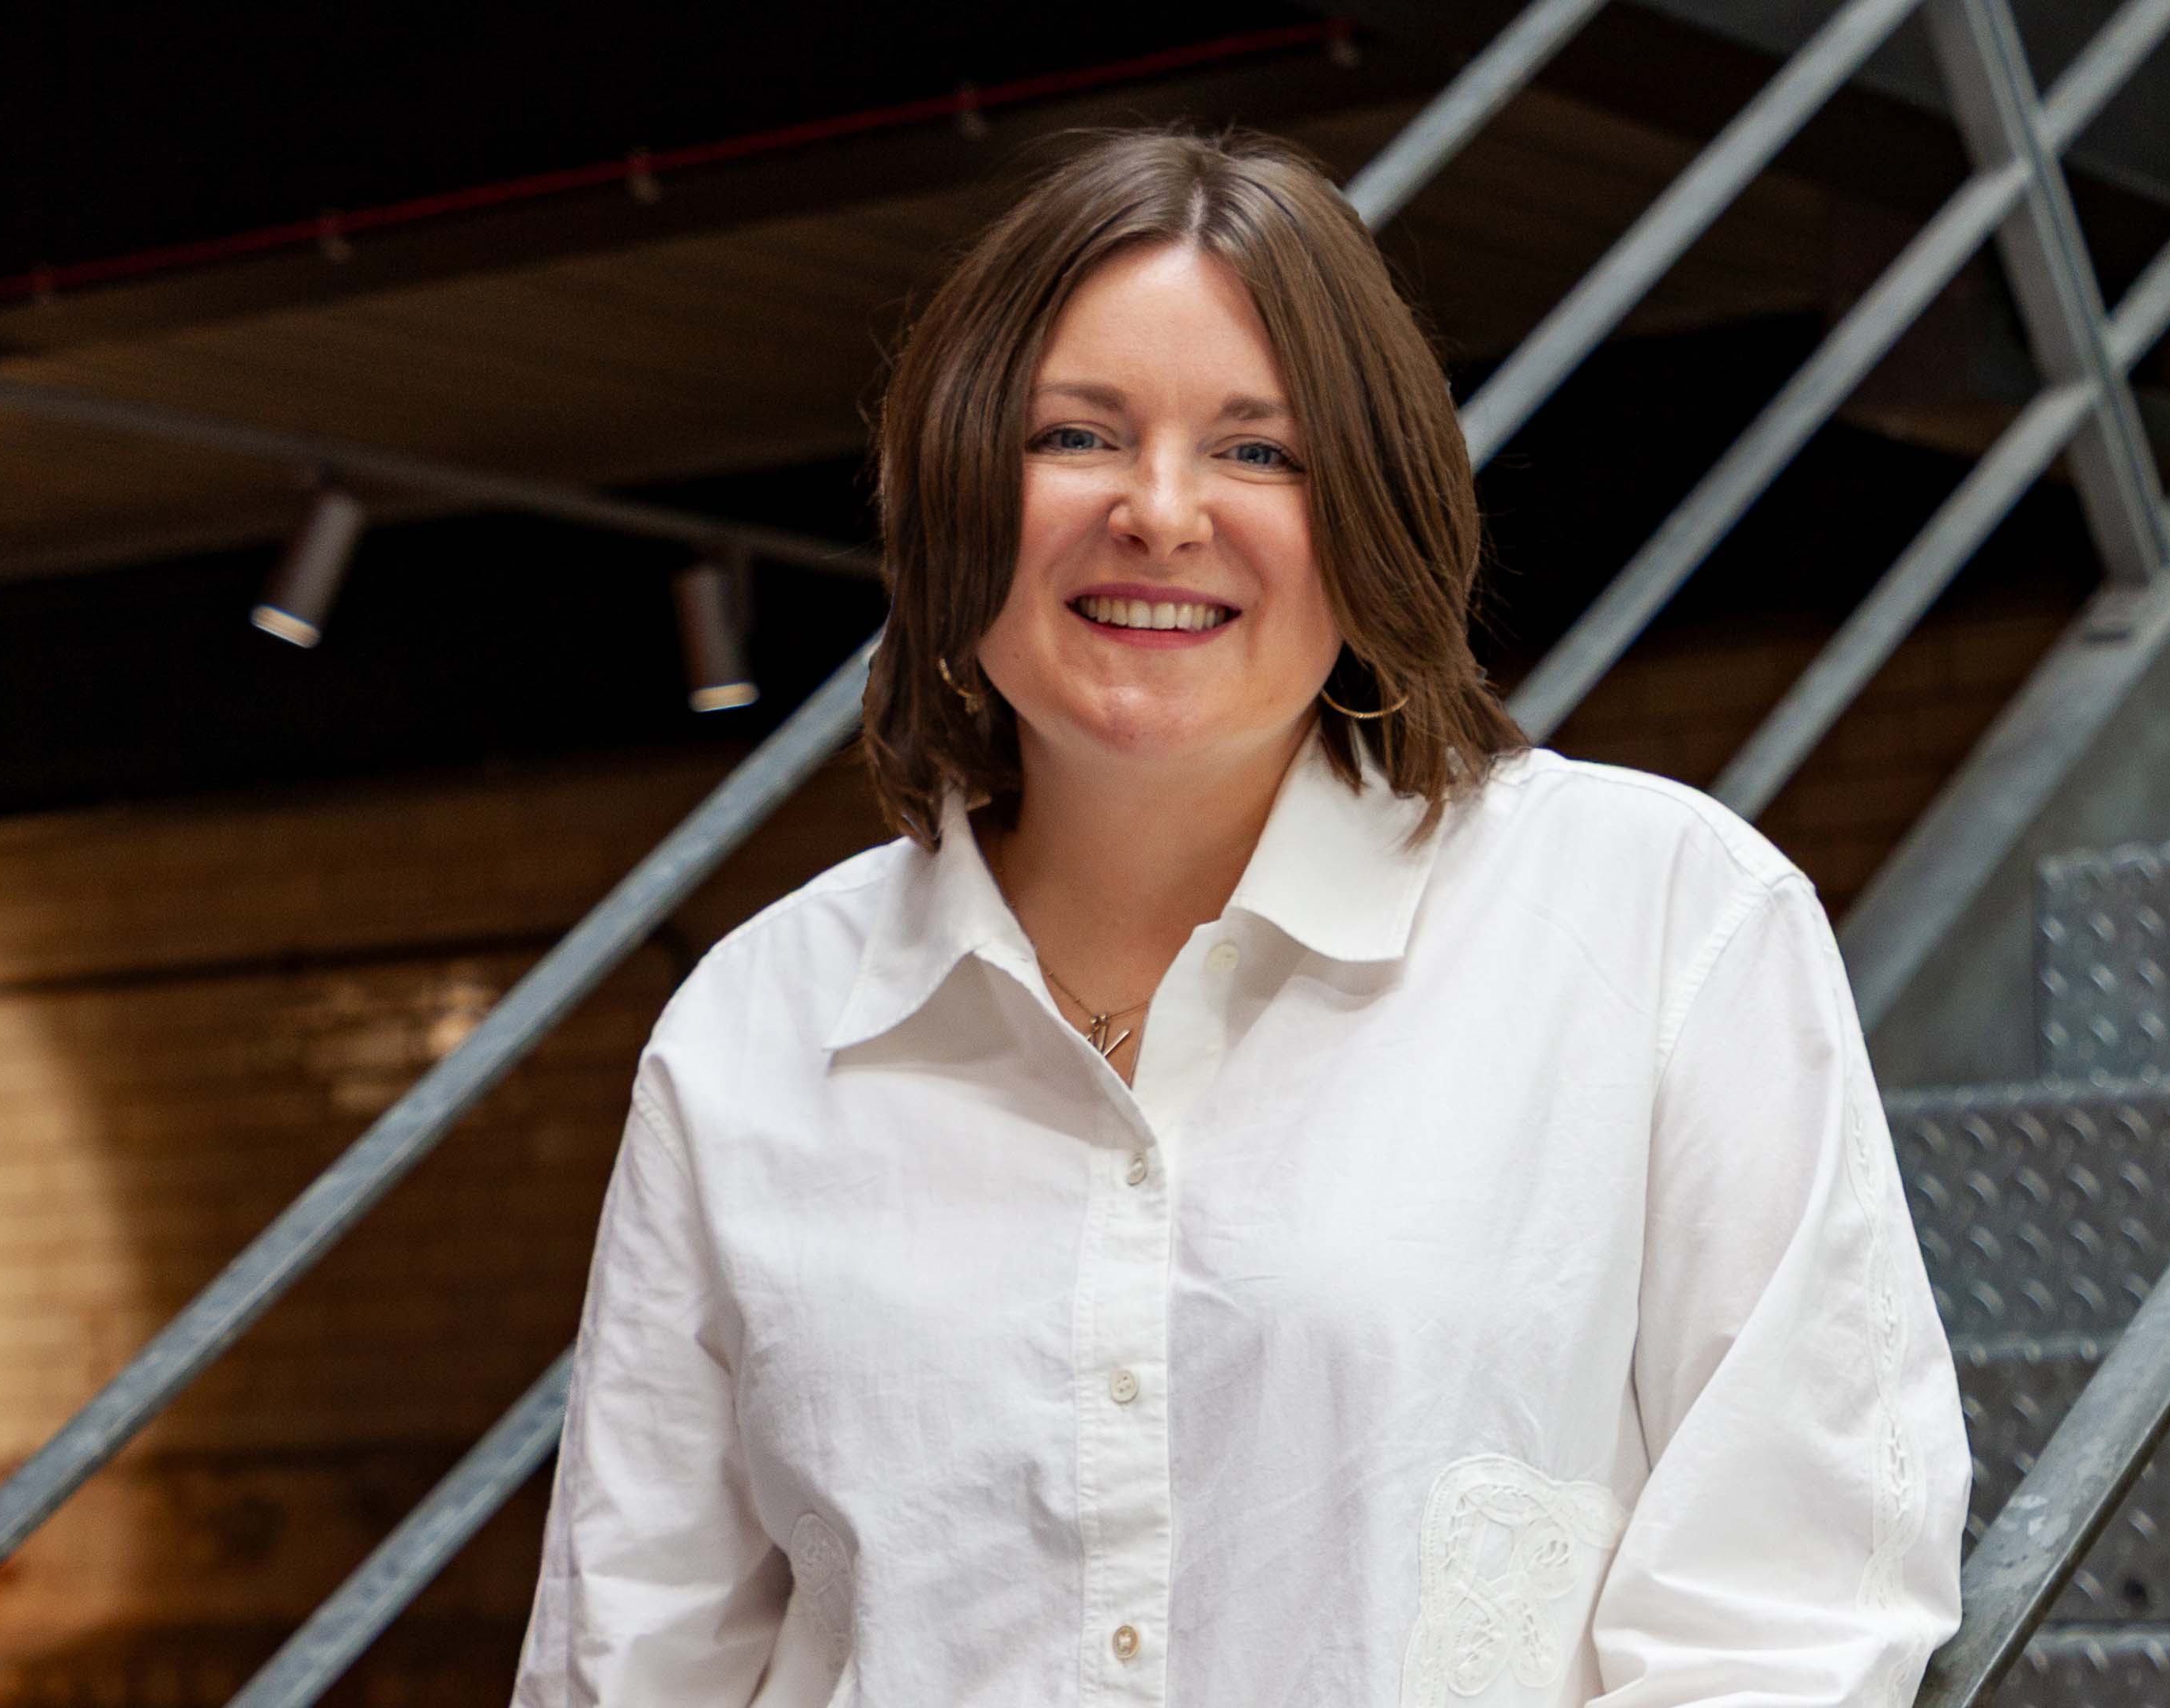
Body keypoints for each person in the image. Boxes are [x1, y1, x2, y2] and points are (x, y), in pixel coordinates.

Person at [509, 123, 1969, 1706]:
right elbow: (630, 1661)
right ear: (955, 497)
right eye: (1076, 435)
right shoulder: (754, 1029)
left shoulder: (1664, 927)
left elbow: (1793, 1613)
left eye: (1258, 450)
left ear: (1370, 516)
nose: (1159, 509)